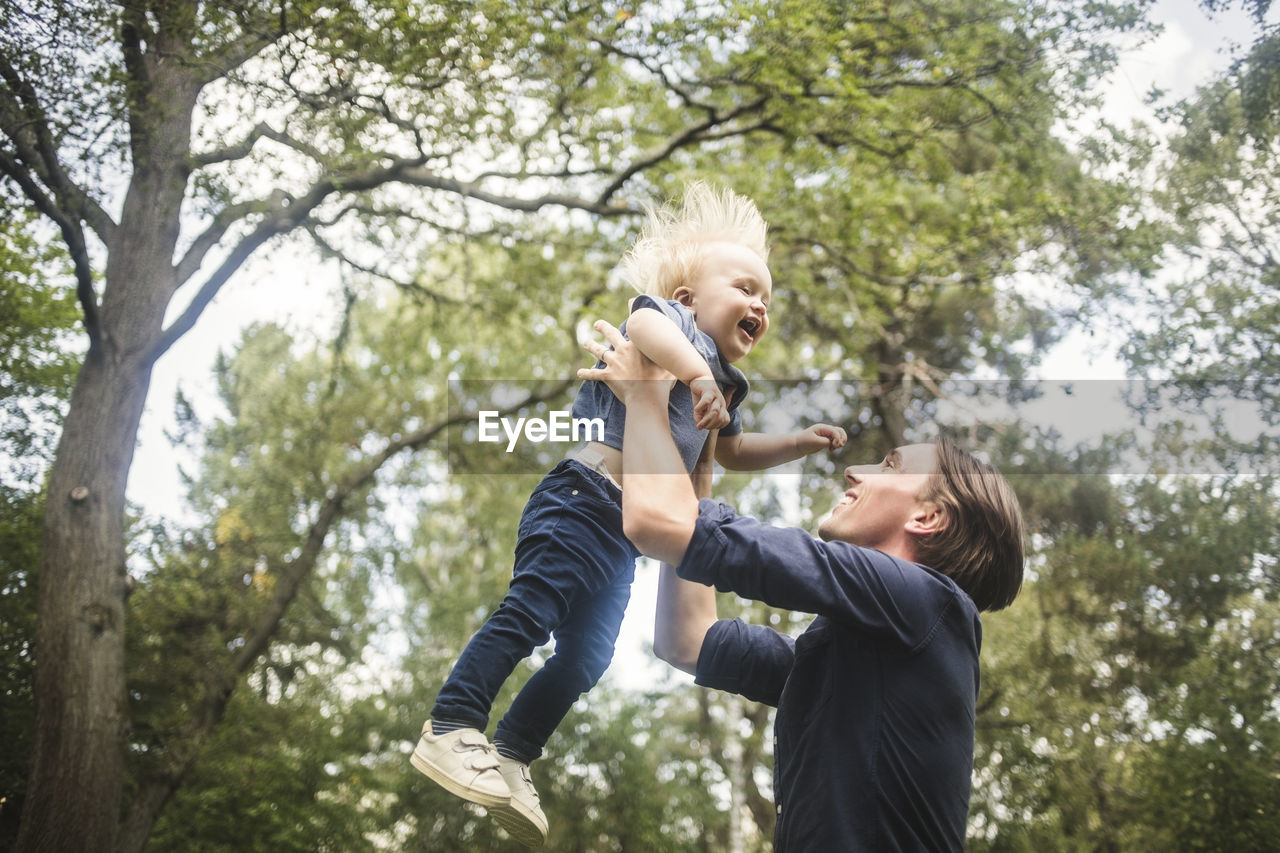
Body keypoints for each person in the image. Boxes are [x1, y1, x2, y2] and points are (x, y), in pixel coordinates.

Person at [411, 183, 847, 848]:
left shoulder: (726, 382)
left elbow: (728, 450)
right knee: (531, 611)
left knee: (588, 657)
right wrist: (694, 375)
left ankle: (512, 752)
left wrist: (796, 442)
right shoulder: (666, 327)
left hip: (621, 541)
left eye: (767, 297)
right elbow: (643, 330)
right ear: (687, 299)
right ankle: (451, 722)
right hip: (583, 498)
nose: (760, 303)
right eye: (744, 286)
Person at [576, 319, 1025, 852]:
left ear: (928, 517)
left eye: (888, 465)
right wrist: (695, 457)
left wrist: (646, 399)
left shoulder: (929, 601)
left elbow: (658, 523)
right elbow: (688, 640)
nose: (855, 472)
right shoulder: (844, 660)